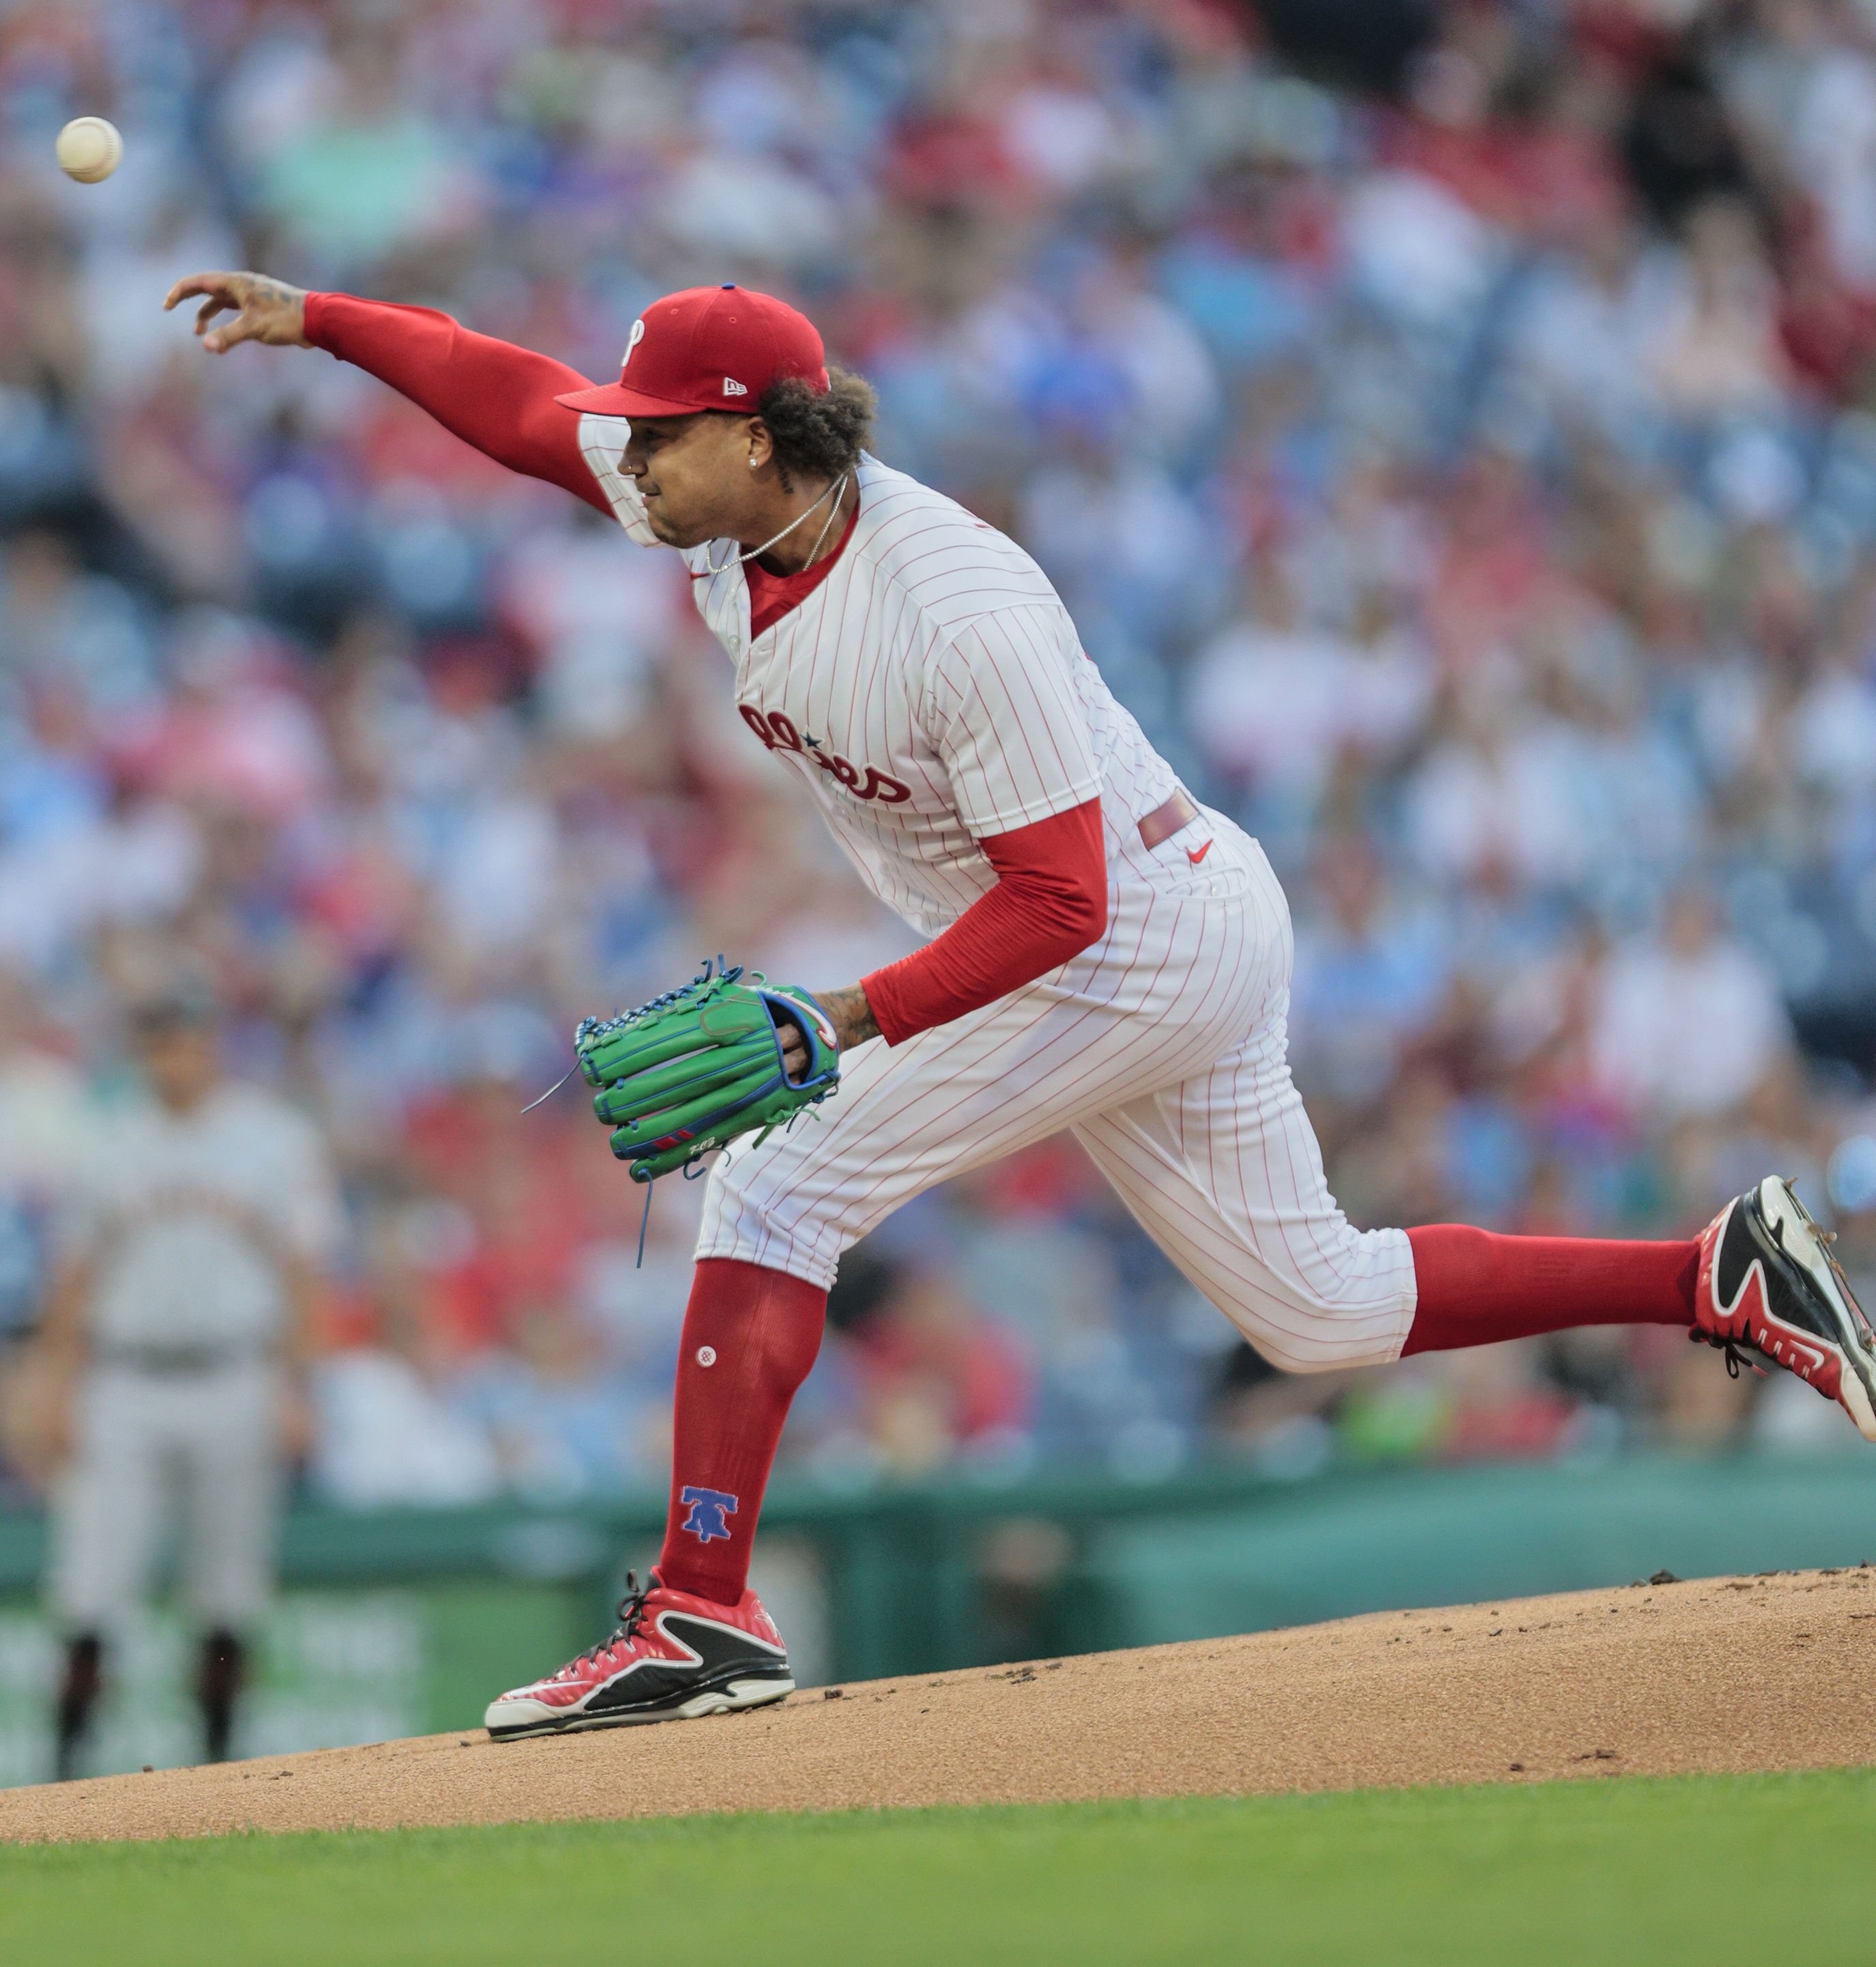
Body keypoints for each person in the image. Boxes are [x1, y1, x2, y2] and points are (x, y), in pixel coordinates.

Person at [164, 269, 1876, 1741]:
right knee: (1318, 1313)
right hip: (1157, 914)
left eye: (661, 428)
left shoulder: (952, 606)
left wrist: (840, 1019)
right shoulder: (718, 495)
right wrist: (321, 321)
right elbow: (520, 400)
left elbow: (1060, 904)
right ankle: (1709, 1271)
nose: (629, 446)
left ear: (752, 433)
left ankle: (698, 1613)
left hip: (1129, 934)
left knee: (775, 1172)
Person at [34, 975, 341, 1777]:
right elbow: (71, 1279)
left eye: (189, 1034)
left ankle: (219, 1777)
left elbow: (302, 1274)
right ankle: (64, 1781)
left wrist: (298, 1386)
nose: (176, 1052)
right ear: (142, 1048)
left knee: (228, 1592)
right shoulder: (108, 1142)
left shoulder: (272, 1137)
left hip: (236, 1373)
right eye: (160, 1036)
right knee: (90, 1590)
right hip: (125, 1380)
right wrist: (57, 1390)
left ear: (213, 1042)